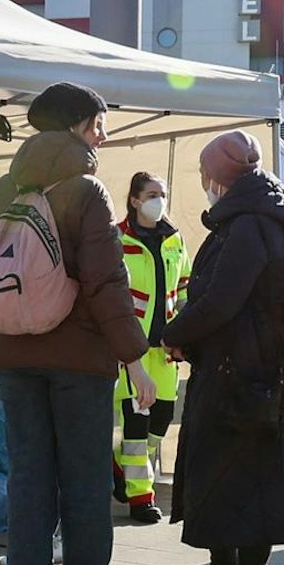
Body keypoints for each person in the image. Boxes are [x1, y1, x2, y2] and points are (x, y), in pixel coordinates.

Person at [0, 82, 148, 565]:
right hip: (80, 362)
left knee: (28, 482)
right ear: (78, 126)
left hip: (15, 359)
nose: (102, 136)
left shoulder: (1, 190)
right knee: (85, 484)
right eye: (99, 125)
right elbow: (106, 282)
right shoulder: (86, 191)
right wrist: (134, 358)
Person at [163, 129, 284, 565]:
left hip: (247, 375)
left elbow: (221, 301)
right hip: (240, 368)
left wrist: (172, 333)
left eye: (204, 174)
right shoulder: (253, 218)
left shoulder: (249, 225)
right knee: (220, 475)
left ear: (218, 177)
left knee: (248, 479)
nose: (202, 182)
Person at [113, 172, 189, 525]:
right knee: (137, 425)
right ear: (134, 200)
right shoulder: (117, 239)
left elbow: (184, 289)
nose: (159, 200)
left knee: (160, 422)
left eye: (163, 194)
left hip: (165, 350)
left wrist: (185, 333)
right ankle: (141, 497)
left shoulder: (174, 239)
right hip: (133, 351)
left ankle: (119, 467)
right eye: (151, 194)